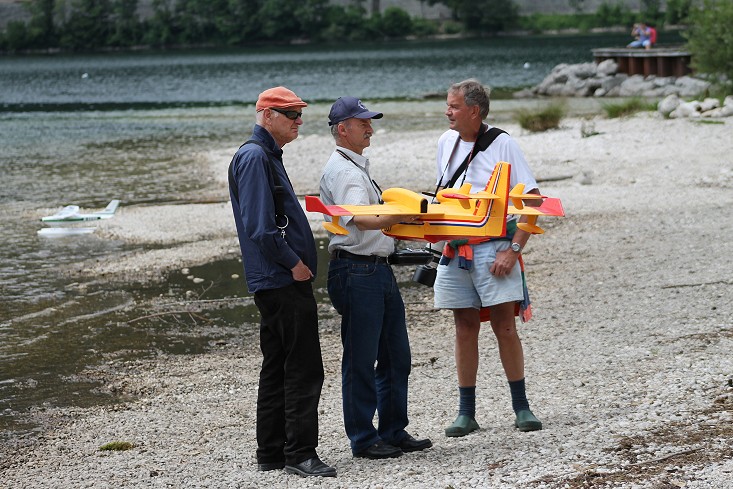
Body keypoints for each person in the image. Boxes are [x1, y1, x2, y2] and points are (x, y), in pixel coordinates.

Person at [228, 86, 336, 478]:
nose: (298, 121)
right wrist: (295, 264)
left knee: (276, 365)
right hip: (281, 278)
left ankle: (271, 453)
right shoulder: (256, 156)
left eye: (299, 113)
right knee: (304, 367)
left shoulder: (263, 155)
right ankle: (300, 454)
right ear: (267, 115)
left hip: (274, 278)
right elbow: (260, 226)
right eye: (290, 114)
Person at [319, 96, 432, 459]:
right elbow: (360, 218)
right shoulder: (346, 172)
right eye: (363, 122)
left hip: (374, 268)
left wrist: (404, 223)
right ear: (342, 129)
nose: (370, 127)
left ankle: (393, 430)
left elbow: (372, 221)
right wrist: (403, 217)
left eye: (370, 121)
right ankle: (364, 439)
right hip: (357, 268)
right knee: (362, 357)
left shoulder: (356, 166)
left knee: (396, 356)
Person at [433, 79, 544, 437]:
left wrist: (513, 250)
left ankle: (522, 408)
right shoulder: (445, 143)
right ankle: (466, 413)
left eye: (453, 106)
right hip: (456, 249)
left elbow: (534, 200)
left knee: (505, 327)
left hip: (496, 248)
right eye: (448, 105)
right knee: (463, 328)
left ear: (474, 111)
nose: (447, 111)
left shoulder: (503, 143)